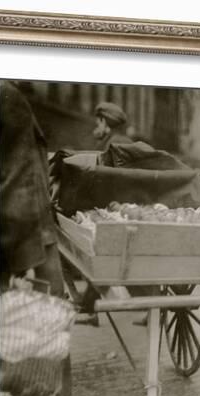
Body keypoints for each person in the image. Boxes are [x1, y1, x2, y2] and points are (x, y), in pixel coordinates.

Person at [0, 80, 68, 396]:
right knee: (20, 339)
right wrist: (23, 259)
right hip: (12, 244)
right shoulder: (7, 99)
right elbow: (19, 183)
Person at [76, 102, 134, 327]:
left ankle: (89, 308)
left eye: (98, 123)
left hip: (118, 211)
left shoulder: (114, 146)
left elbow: (108, 182)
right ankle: (89, 306)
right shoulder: (122, 143)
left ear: (107, 125)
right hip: (125, 209)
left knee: (95, 251)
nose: (95, 128)